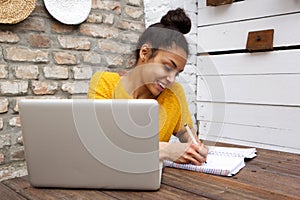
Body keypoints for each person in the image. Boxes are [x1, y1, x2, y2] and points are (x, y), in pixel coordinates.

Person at [88, 8, 208, 165]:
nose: (171, 79)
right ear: (144, 53)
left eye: (177, 73)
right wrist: (165, 150)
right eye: (167, 67)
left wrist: (195, 145)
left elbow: (186, 132)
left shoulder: (174, 94)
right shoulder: (105, 83)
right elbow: (99, 144)